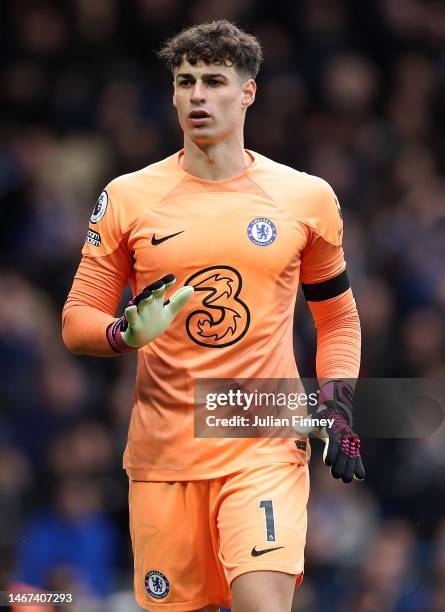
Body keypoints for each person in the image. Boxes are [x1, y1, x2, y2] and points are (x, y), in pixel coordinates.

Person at [62, 19, 364, 612]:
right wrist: (125, 332)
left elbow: (338, 319)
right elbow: (78, 319)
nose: (197, 95)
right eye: (185, 81)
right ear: (172, 93)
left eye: (214, 81)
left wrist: (338, 401)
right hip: (164, 458)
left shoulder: (306, 198)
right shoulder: (129, 197)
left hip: (262, 442)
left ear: (247, 91)